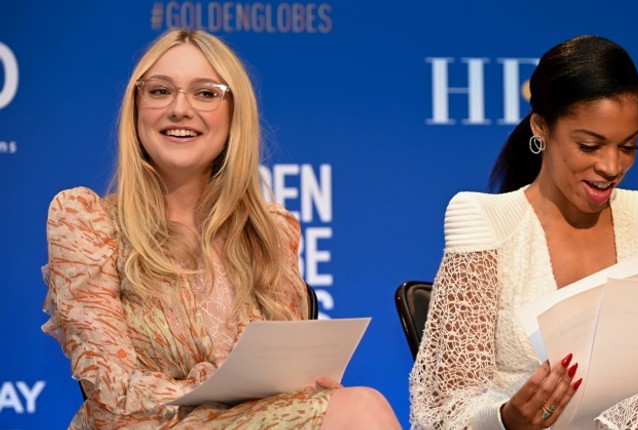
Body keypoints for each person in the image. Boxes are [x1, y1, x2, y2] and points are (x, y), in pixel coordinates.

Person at [42, 28, 401, 429]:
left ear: (234, 114)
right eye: (160, 91)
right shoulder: (84, 219)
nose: (179, 108)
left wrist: (309, 389)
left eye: (205, 93)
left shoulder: (272, 231)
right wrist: (222, 392)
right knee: (361, 410)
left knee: (353, 406)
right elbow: (111, 388)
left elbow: (284, 377)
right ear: (136, 108)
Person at [409, 35, 638, 429]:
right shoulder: (486, 222)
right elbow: (442, 409)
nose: (611, 166)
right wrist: (506, 419)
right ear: (542, 127)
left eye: (629, 146)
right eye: (590, 145)